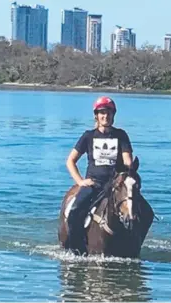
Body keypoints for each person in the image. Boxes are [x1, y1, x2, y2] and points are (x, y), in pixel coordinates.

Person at [65, 96, 133, 255]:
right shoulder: (88, 136)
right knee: (75, 210)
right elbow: (70, 161)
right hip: (94, 184)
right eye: (102, 112)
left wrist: (129, 171)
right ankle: (74, 248)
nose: (105, 116)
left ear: (113, 115)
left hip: (116, 186)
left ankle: (134, 243)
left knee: (143, 210)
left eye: (108, 112)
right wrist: (80, 181)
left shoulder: (121, 135)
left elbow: (127, 160)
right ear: (96, 115)